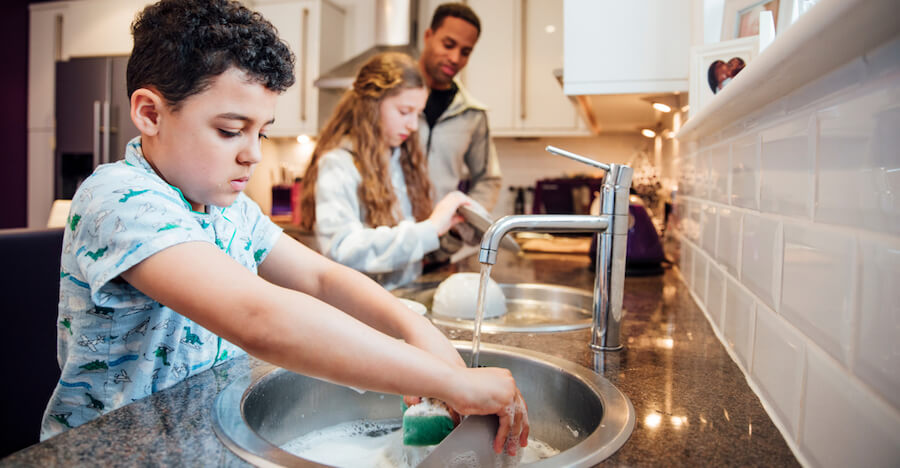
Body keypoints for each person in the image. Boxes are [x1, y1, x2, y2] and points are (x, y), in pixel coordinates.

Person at [40, 0, 529, 456]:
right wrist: (454, 384)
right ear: (150, 113)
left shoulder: (229, 207)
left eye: (262, 132)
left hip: (200, 441)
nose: (252, 152)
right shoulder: (121, 200)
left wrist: (413, 328)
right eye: (231, 131)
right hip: (114, 452)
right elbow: (259, 317)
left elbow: (322, 278)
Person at [299, 52, 478, 290]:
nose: (413, 126)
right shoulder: (338, 164)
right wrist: (430, 229)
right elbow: (342, 247)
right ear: (371, 106)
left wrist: (449, 232)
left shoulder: (402, 160)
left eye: (417, 114)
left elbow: (406, 250)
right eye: (404, 112)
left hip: (404, 298)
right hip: (360, 307)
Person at [418, 3, 502, 213]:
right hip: (387, 237)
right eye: (448, 45)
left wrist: (460, 228)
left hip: (441, 241)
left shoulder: (472, 114)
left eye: (465, 52)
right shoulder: (389, 99)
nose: (455, 58)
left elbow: (488, 180)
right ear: (428, 36)